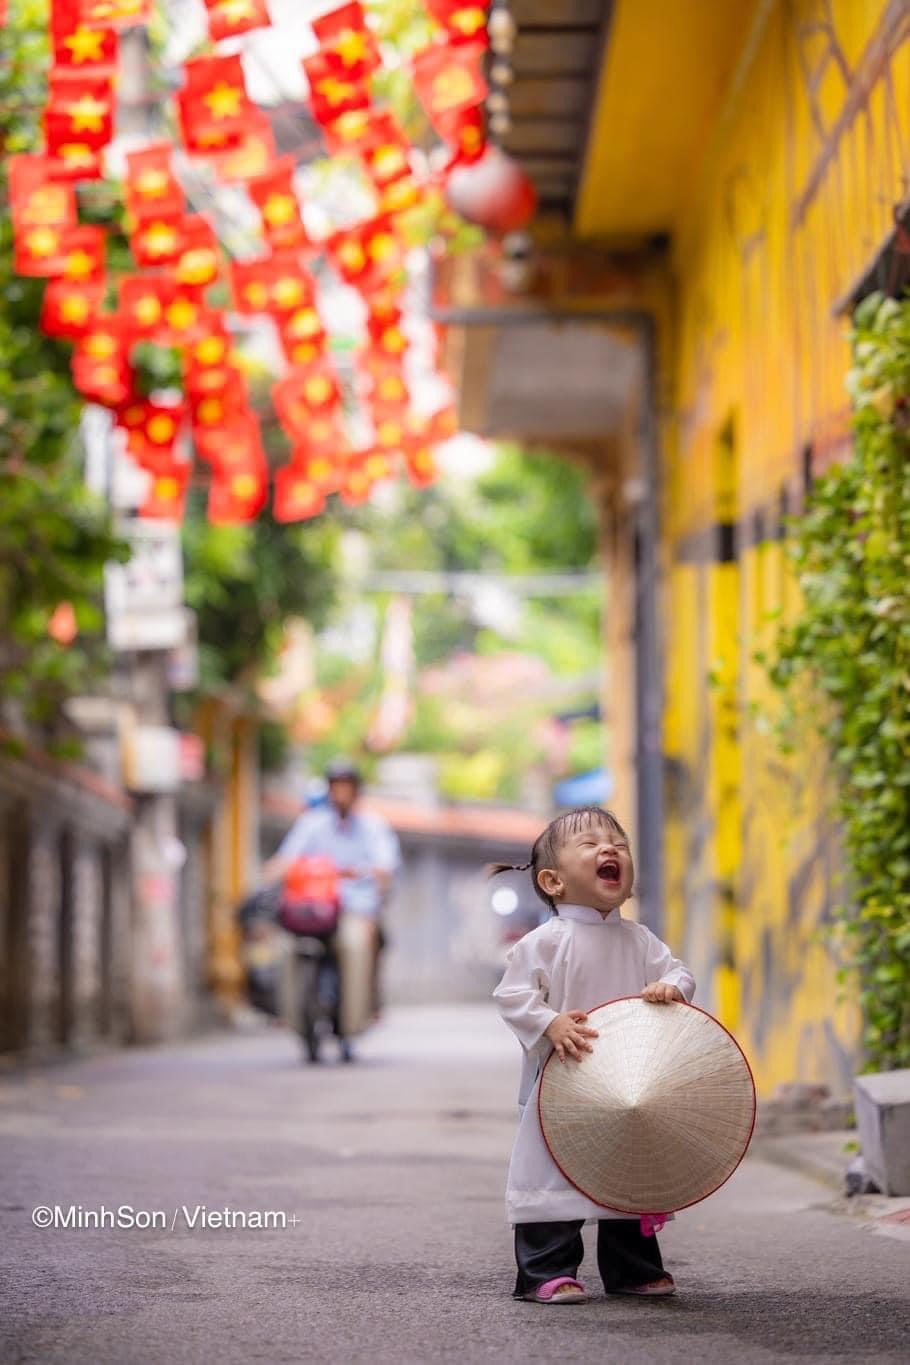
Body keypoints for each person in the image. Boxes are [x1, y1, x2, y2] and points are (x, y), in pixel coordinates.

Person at [491, 805, 695, 1305]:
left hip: (625, 1088)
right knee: (551, 1176)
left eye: (619, 845)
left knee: (628, 1174)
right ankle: (546, 1271)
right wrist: (550, 1022)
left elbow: (679, 972)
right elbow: (513, 996)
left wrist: (670, 988)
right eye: (590, 844)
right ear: (553, 881)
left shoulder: (639, 939)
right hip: (562, 1083)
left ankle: (634, 1270)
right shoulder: (545, 942)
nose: (610, 849)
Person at [263, 759, 400, 1019]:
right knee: (284, 947)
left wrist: (368, 874)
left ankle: (359, 1013)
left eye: (346, 787)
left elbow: (385, 865)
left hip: (354, 908)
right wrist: (271, 874)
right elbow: (286, 859)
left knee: (356, 943)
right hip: (314, 907)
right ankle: (288, 1015)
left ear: (356, 791)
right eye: (336, 787)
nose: (341, 794)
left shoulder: (373, 827)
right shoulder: (312, 824)